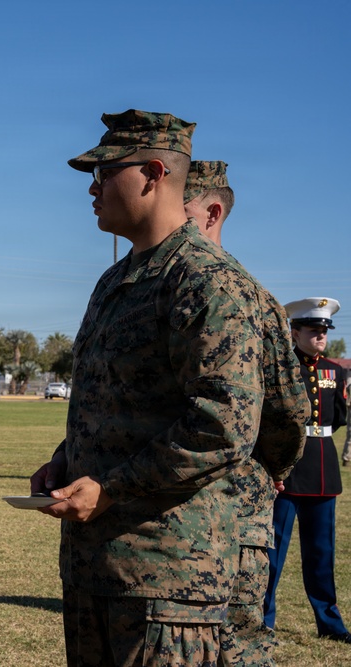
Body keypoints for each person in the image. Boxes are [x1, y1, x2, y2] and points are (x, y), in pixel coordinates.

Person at [30, 109, 269, 666]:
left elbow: (223, 424)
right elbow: (109, 401)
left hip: (168, 576)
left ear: (154, 173)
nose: (93, 188)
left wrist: (110, 487)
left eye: (105, 172)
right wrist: (64, 460)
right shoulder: (115, 281)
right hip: (98, 566)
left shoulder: (209, 282)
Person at [184, 161, 310, 665]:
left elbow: (287, 410)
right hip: (176, 527)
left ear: (213, 213)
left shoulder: (247, 296)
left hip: (234, 513)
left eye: (182, 210)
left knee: (235, 644)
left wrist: (267, 471)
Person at [264, 297, 350, 642]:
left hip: (323, 471)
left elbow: (340, 417)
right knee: (272, 555)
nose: (320, 337)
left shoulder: (335, 370)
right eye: (313, 331)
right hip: (286, 472)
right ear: (294, 332)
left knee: (322, 556)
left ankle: (330, 625)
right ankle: (262, 621)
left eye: (324, 332)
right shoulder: (281, 369)